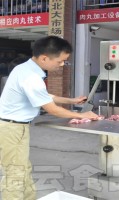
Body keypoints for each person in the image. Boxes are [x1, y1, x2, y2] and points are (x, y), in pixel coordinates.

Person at [0, 35, 98, 200]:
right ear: (44, 58)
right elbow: (52, 109)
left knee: (23, 168)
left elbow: (45, 96)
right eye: (60, 61)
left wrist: (72, 101)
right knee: (15, 173)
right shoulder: (31, 76)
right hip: (12, 129)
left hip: (14, 127)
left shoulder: (25, 69)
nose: (61, 65)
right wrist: (81, 115)